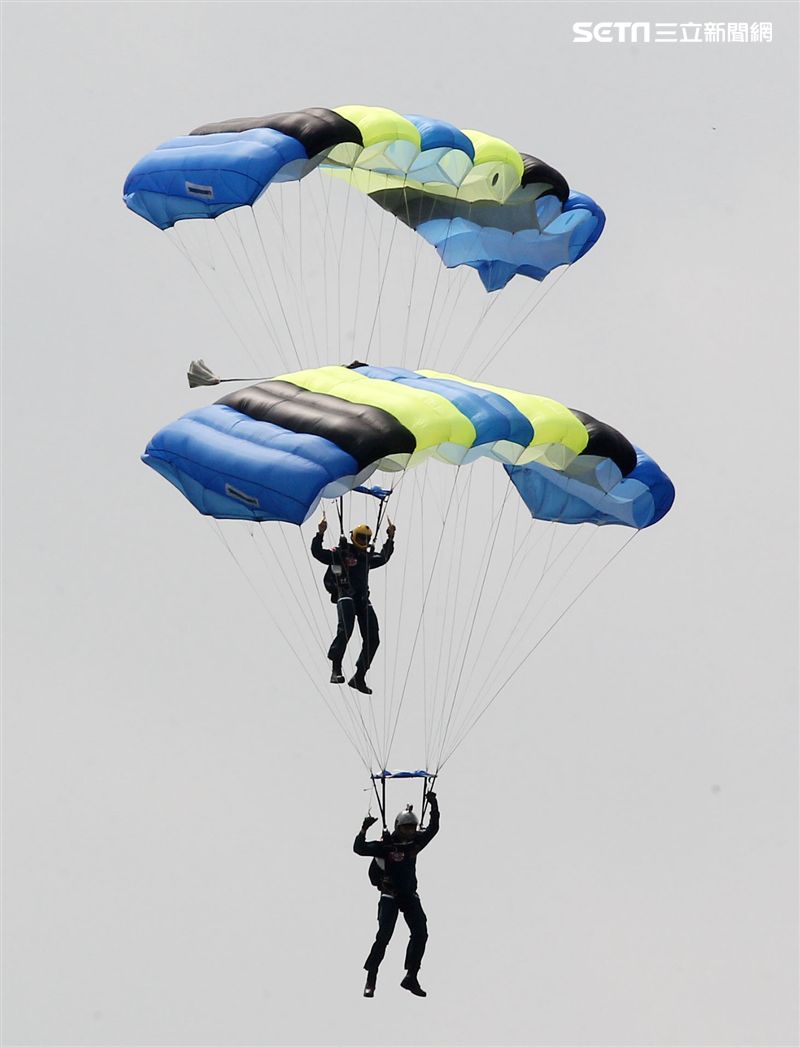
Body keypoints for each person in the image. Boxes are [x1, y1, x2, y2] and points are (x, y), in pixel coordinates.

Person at [354, 790, 440, 998]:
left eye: (412, 828)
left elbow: (433, 828)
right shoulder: (386, 846)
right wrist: (364, 829)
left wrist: (433, 804)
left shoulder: (416, 843)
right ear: (397, 828)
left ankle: (411, 976)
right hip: (390, 895)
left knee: (421, 932)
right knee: (384, 936)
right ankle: (371, 977)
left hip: (409, 895)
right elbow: (359, 848)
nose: (410, 832)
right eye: (405, 828)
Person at [311, 516, 395, 694]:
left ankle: (359, 676)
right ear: (354, 537)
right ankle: (336, 668)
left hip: (363, 600)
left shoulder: (367, 557)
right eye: (361, 537)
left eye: (366, 538)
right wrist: (320, 533)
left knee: (374, 638)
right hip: (345, 595)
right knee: (346, 629)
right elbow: (318, 553)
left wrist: (390, 538)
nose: (364, 541)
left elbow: (384, 557)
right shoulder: (340, 553)